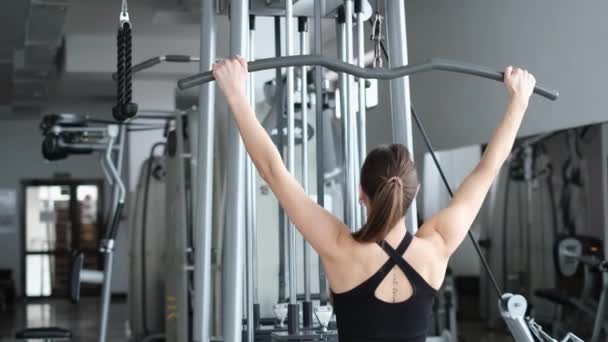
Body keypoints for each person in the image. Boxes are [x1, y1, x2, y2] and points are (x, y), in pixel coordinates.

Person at [213, 56, 536, 342]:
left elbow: (273, 171)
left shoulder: (340, 247)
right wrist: (519, 101)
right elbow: (487, 169)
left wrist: (235, 93)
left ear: (360, 193)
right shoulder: (437, 245)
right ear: (415, 193)